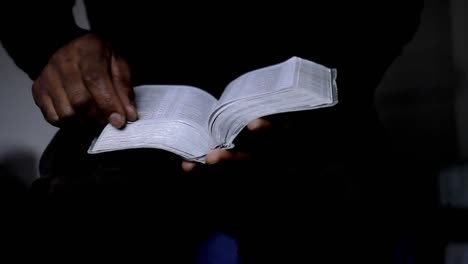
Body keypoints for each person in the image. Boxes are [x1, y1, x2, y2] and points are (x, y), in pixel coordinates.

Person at [2, 1, 424, 263]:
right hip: (131, 126)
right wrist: (53, 44)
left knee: (334, 216)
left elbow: (388, 15)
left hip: (317, 133)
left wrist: (316, 89)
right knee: (72, 222)